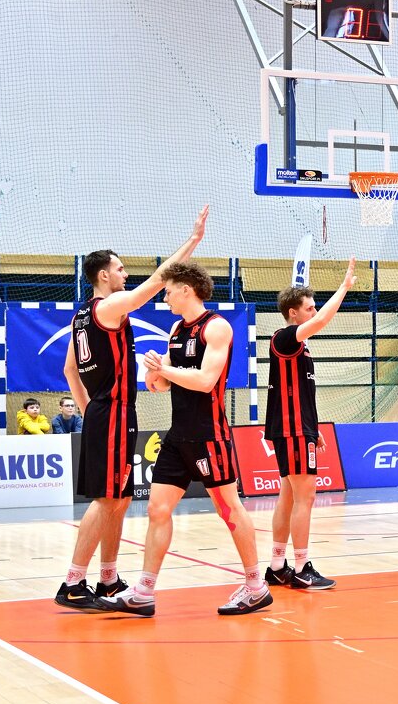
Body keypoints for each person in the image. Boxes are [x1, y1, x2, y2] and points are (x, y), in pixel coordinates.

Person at [53, 207, 207, 612]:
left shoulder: (81, 315)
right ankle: (73, 583)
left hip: (107, 412)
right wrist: (192, 241)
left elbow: (70, 369)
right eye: (120, 269)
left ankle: (107, 578)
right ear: (104, 276)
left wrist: (90, 410)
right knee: (107, 500)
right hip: (113, 411)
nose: (125, 274)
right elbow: (157, 281)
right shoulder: (109, 307)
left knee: (120, 499)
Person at [101, 260, 271, 617]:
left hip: (209, 435)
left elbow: (206, 381)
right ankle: (144, 591)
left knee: (229, 509)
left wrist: (165, 370)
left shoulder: (217, 327)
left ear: (185, 289)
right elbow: (163, 383)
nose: (164, 297)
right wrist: (154, 372)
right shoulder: (177, 329)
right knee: (157, 509)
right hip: (178, 435)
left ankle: (256, 586)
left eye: (168, 291)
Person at [262, 258, 357, 593]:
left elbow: (302, 393)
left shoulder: (300, 346)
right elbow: (323, 320)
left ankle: (277, 567)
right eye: (309, 307)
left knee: (288, 497)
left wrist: (313, 431)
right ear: (293, 313)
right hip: (291, 429)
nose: (314, 311)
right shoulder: (285, 338)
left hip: (297, 428)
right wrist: (344, 287)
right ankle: (302, 568)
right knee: (306, 497)